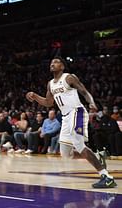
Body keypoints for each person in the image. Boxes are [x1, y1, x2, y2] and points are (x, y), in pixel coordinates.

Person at [26, 57, 117, 188]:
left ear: (62, 66)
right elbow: (48, 102)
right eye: (51, 62)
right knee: (65, 154)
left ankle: (106, 177)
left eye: (56, 62)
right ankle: (97, 156)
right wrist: (35, 96)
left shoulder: (69, 78)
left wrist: (91, 102)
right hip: (66, 117)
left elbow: (84, 91)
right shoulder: (50, 84)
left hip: (76, 112)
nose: (52, 63)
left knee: (79, 145)